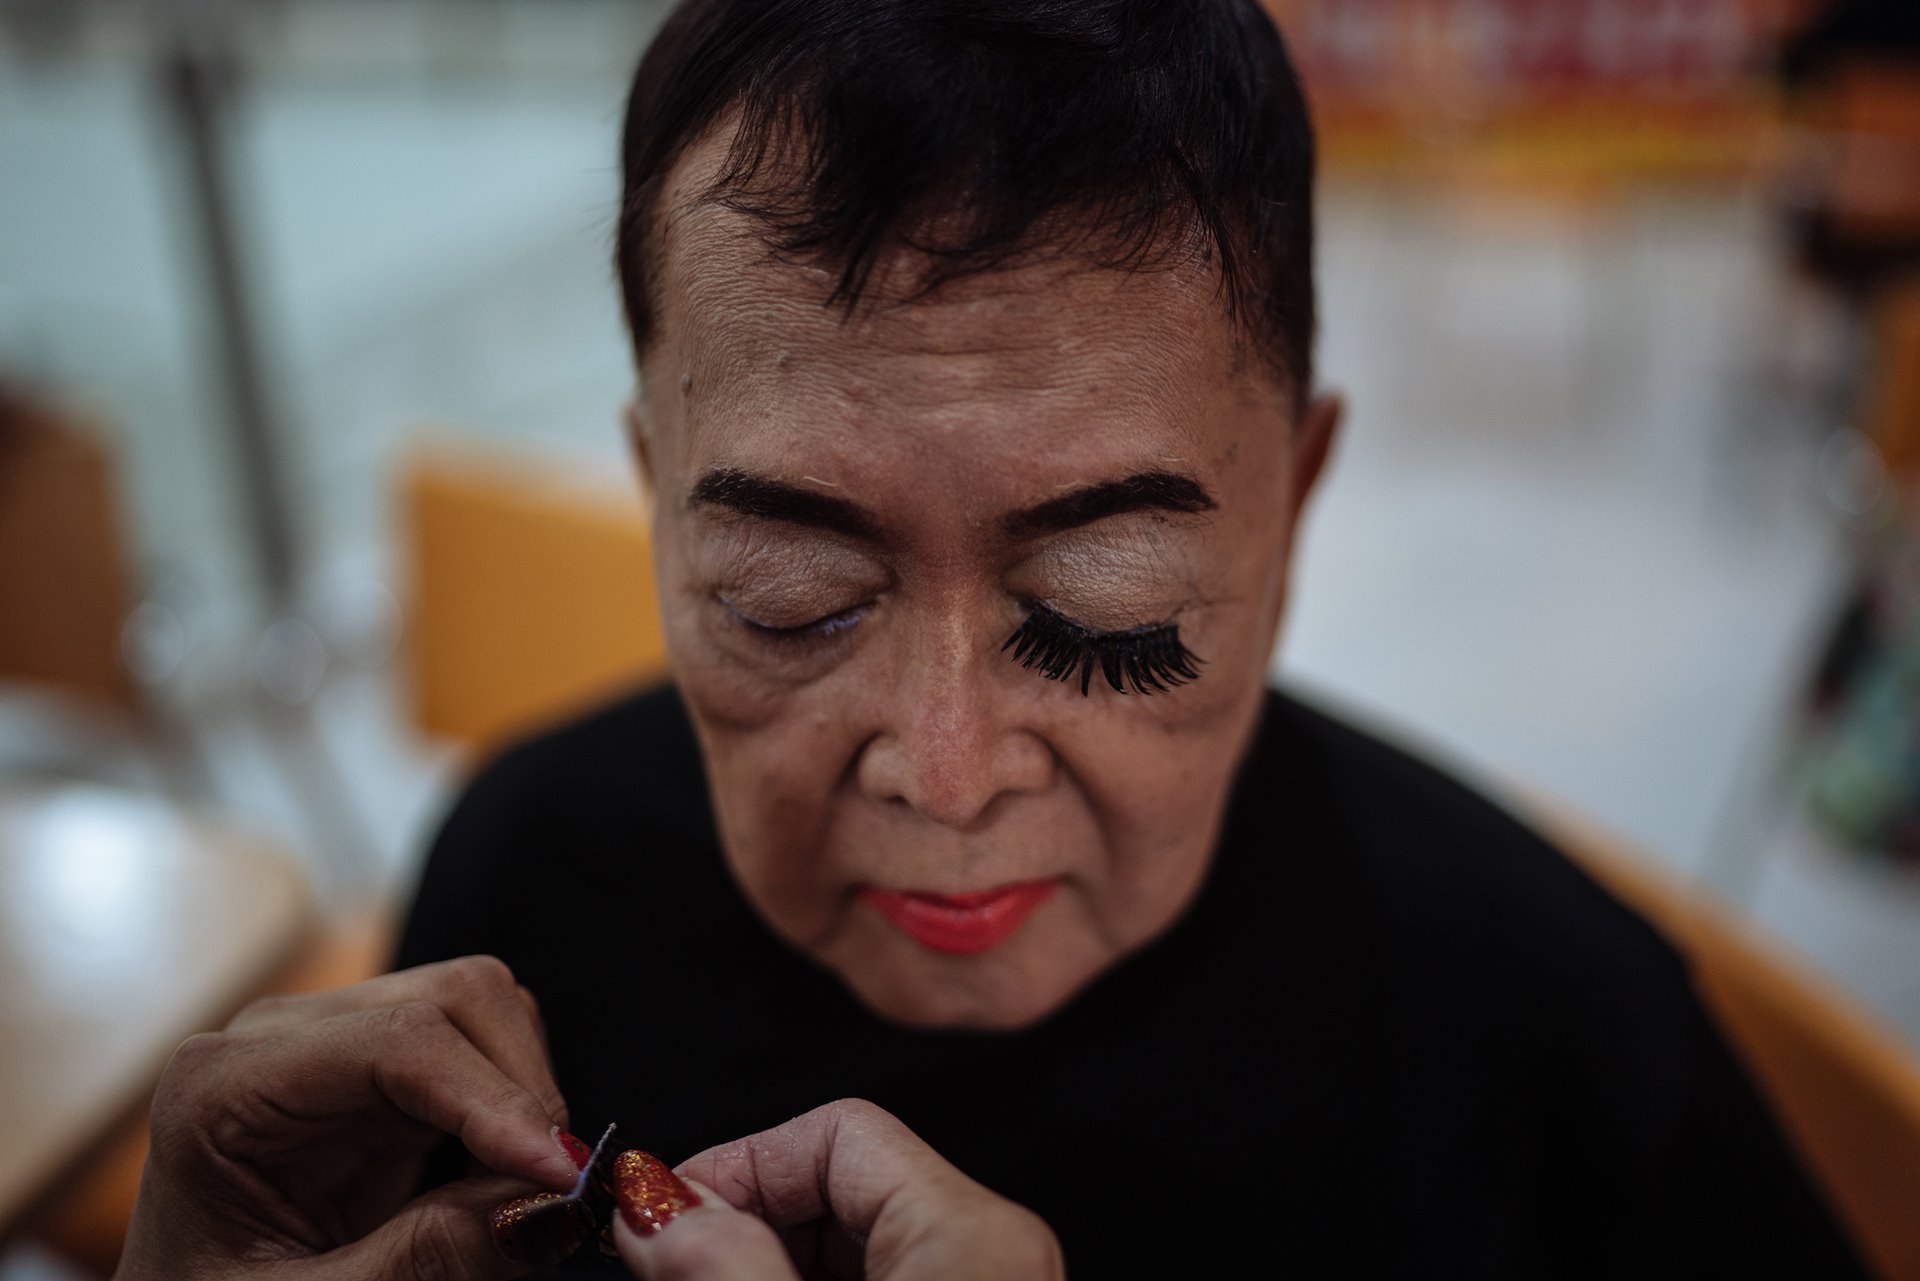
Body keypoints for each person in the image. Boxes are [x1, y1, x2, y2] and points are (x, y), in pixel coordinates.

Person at [120, 1, 1874, 1278]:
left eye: (1107, 615)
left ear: (1292, 502)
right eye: (787, 604)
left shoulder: (1562, 1051)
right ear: (658, 502)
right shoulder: (528, 894)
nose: (947, 773)